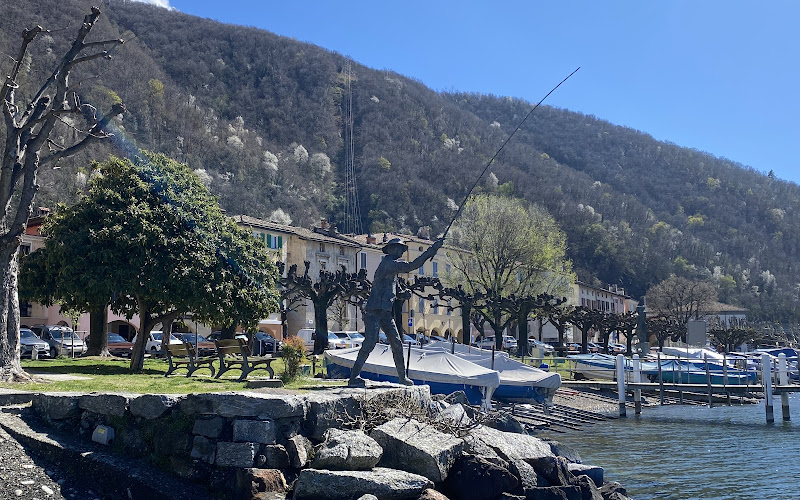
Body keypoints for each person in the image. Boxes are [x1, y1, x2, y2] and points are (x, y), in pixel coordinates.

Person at [349, 237, 443, 387]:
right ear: (391, 249)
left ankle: (402, 377)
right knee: (370, 343)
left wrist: (402, 294)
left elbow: (395, 289)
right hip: (374, 311)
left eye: (401, 248)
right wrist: (431, 250)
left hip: (385, 313)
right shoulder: (388, 264)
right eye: (398, 248)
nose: (401, 251)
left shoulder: (392, 271)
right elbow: (411, 266)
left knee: (397, 344)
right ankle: (354, 377)